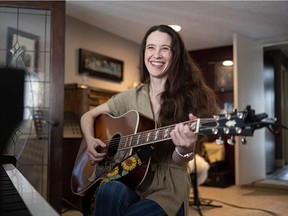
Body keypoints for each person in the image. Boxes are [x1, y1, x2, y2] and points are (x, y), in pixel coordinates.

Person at [80, 24, 218, 216]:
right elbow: (88, 115)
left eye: (165, 48)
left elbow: (179, 162)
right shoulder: (130, 97)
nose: (157, 55)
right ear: (144, 52)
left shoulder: (191, 99)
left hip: (167, 188)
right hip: (132, 178)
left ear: (175, 55)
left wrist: (184, 149)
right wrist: (90, 140)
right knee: (108, 190)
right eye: (151, 47)